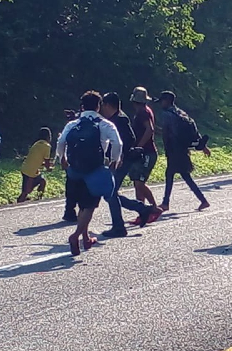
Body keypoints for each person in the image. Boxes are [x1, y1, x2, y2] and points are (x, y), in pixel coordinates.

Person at [57, 91, 122, 255]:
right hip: (93, 170)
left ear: (82, 106)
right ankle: (76, 235)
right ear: (98, 106)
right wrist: (115, 160)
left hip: (74, 170)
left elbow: (61, 141)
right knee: (90, 206)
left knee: (81, 205)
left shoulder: (73, 124)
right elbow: (117, 143)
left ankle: (86, 238)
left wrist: (62, 158)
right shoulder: (104, 124)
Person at [98, 92, 157, 238]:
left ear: (107, 105)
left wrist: (120, 156)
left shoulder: (120, 119)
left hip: (122, 161)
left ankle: (119, 227)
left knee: (110, 192)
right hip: (120, 160)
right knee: (110, 193)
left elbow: (130, 138)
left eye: (102, 106)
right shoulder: (115, 118)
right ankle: (142, 209)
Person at [156, 91, 211, 212]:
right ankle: (203, 200)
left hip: (174, 150)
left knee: (170, 174)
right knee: (184, 176)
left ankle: (166, 203)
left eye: (162, 101)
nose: (161, 104)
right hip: (183, 149)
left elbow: (166, 133)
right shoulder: (181, 113)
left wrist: (166, 148)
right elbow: (194, 130)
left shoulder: (166, 114)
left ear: (167, 101)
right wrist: (203, 146)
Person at [128, 88, 161, 222]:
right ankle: (142, 212)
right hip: (142, 152)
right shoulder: (142, 112)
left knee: (140, 183)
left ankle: (154, 208)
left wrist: (139, 146)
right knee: (137, 182)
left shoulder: (143, 113)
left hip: (147, 152)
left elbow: (150, 130)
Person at [17, 127, 52, 203]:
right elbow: (47, 162)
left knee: (42, 181)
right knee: (26, 191)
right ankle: (20, 202)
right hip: (31, 172)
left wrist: (44, 164)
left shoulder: (36, 144)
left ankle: (38, 198)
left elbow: (35, 159)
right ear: (48, 137)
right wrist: (49, 168)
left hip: (26, 169)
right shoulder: (47, 146)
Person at [60, 109, 81, 222]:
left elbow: (61, 143)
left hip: (71, 159)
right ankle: (73, 210)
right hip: (77, 160)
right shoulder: (80, 127)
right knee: (77, 186)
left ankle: (69, 210)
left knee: (71, 186)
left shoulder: (70, 128)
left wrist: (62, 158)